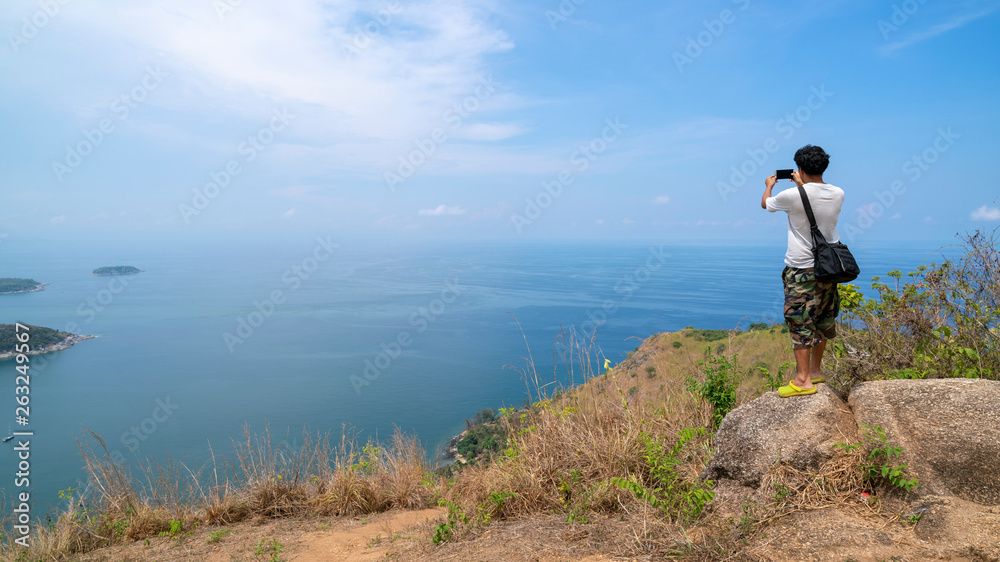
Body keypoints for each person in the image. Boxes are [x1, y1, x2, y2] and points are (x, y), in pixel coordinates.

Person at [760, 145, 845, 397]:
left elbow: (766, 205)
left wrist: (768, 185)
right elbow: (813, 204)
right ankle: (816, 372)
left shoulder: (791, 195)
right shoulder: (838, 193)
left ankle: (802, 380)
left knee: (800, 321)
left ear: (799, 168)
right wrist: (801, 184)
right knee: (823, 318)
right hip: (828, 268)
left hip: (801, 269)